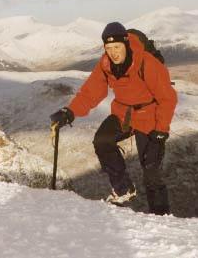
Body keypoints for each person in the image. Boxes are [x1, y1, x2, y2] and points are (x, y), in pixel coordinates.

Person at [50, 22, 177, 215]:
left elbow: (167, 98)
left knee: (151, 170)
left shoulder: (146, 62)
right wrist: (69, 112)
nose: (113, 52)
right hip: (123, 113)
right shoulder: (106, 65)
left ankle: (161, 217)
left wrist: (161, 130)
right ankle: (123, 188)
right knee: (102, 140)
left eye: (117, 47)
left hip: (149, 116)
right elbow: (90, 93)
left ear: (126, 44)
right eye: (108, 48)